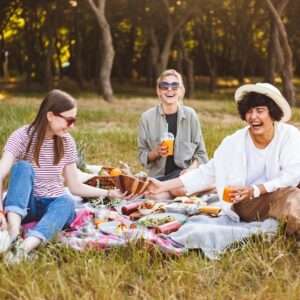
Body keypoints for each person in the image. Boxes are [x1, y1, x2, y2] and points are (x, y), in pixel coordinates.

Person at [147, 83, 300, 239]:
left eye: (260, 111)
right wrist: (163, 185)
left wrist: (257, 188)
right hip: (246, 201)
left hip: (272, 189)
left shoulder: (289, 135)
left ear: (273, 114)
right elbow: (206, 173)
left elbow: (293, 174)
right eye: (249, 111)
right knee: (290, 195)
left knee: (292, 188)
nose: (253, 117)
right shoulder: (233, 143)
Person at [0, 89, 127, 263]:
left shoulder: (67, 142)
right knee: (22, 167)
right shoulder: (22, 136)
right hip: (24, 206)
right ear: (50, 116)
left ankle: (23, 248)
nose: (72, 126)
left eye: (74, 120)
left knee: (66, 202)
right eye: (69, 120)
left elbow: (74, 186)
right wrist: (1, 212)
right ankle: (13, 236)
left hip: (51, 204)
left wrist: (109, 193)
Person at [138, 69, 208, 197]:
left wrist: (190, 170)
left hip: (183, 176)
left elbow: (201, 154)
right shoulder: (147, 118)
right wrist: (157, 152)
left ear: (180, 91)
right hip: (160, 177)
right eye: (165, 86)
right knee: (151, 196)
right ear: (159, 91)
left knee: (178, 190)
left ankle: (211, 188)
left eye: (175, 86)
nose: (170, 89)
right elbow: (143, 155)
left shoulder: (190, 115)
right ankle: (184, 191)